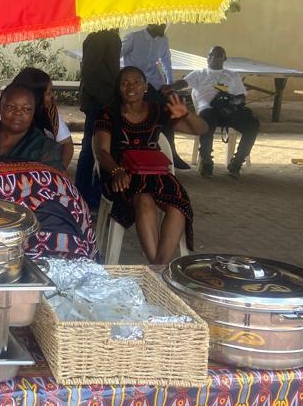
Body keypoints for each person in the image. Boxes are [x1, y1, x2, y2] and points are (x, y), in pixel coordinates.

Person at [93, 66, 208, 265]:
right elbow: (102, 151)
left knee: (178, 205)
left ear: (146, 86)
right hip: (122, 173)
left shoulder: (157, 110)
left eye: (137, 82)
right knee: (144, 200)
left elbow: (201, 129)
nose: (131, 87)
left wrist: (186, 114)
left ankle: (157, 266)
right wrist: (117, 171)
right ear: (118, 88)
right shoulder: (108, 114)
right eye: (125, 83)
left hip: (156, 173)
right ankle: (159, 268)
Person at [172, 45, 260, 177]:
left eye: (218, 56)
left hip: (228, 110)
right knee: (206, 120)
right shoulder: (199, 73)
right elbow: (183, 83)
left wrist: (231, 101)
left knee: (253, 124)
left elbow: (241, 97)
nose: (213, 58)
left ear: (224, 59)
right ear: (207, 57)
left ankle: (237, 162)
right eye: (211, 55)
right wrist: (169, 86)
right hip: (208, 110)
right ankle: (206, 161)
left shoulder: (232, 75)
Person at [120, 24, 190, 170]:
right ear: (152, 22)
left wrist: (170, 85)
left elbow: (166, 61)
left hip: (155, 84)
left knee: (168, 115)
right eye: (162, 22)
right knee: (145, 118)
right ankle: (141, 153)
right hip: (136, 87)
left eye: (165, 22)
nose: (164, 25)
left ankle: (172, 154)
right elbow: (117, 56)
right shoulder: (134, 38)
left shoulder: (163, 40)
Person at [0, 67, 73, 167]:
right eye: (48, 93)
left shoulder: (49, 112)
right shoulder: (2, 115)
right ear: (36, 95)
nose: (52, 96)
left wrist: (60, 169)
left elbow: (66, 143)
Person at [75, 29, 121, 208]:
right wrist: (107, 102)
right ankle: (84, 198)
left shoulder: (108, 35)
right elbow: (89, 71)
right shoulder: (102, 35)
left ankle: (89, 196)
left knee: (96, 149)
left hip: (102, 101)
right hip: (99, 103)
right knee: (92, 150)